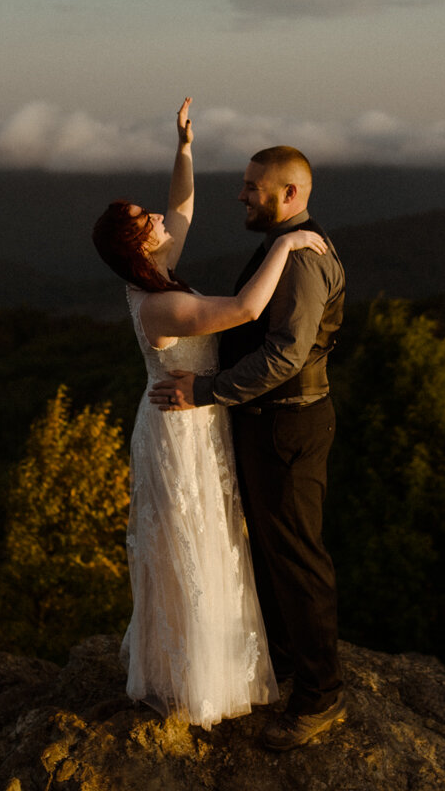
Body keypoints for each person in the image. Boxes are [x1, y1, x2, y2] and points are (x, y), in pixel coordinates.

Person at [91, 97, 328, 728]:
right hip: (181, 425)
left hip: (198, 416)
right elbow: (248, 310)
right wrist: (292, 243)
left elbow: (182, 208)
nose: (160, 218)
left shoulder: (157, 271)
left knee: (216, 541)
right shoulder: (158, 306)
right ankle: (195, 678)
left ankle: (225, 665)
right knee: (195, 544)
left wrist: (185, 149)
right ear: (139, 244)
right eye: (146, 219)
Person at [147, 141, 347, 751]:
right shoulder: (281, 246)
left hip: (290, 421)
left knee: (296, 556)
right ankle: (284, 664)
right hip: (268, 420)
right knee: (268, 548)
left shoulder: (303, 260)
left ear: (290, 195)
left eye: (252, 187)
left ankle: (320, 698)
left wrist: (208, 390)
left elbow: (286, 355)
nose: (241, 193)